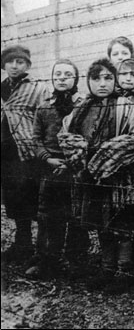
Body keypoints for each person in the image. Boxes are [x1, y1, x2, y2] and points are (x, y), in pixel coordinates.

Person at [59, 58, 134, 292]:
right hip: (88, 178)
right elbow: (66, 136)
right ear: (88, 81)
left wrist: (103, 157)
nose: (102, 83)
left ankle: (124, 272)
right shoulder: (81, 109)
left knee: (121, 224)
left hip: (118, 178)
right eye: (96, 78)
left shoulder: (125, 106)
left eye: (108, 78)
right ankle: (106, 269)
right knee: (101, 224)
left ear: (115, 80)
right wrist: (82, 157)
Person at [28, 59, 90, 278]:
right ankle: (47, 261)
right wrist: (47, 159)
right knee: (48, 216)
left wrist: (73, 160)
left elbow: (88, 136)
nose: (62, 78)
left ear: (76, 78)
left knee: (76, 216)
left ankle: (76, 262)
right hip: (51, 169)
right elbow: (36, 140)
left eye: (67, 74)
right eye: (58, 75)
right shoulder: (44, 107)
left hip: (76, 168)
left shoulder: (84, 104)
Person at [1, 44, 49, 262]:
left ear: (27, 65)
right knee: (13, 198)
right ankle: (22, 243)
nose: (14, 66)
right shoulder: (2, 88)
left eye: (19, 62)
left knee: (32, 197)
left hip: (28, 152)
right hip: (7, 152)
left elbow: (46, 117)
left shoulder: (36, 88)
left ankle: (42, 248)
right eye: (10, 61)